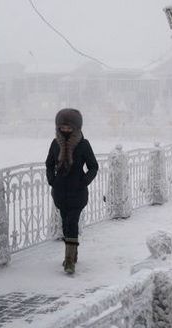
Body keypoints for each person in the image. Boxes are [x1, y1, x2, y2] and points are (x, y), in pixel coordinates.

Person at [45, 108, 99, 274]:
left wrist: (84, 181)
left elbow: (93, 167)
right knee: (65, 224)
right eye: (63, 127)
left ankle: (69, 261)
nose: (66, 130)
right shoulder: (55, 144)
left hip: (77, 192)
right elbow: (49, 164)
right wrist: (52, 180)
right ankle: (73, 253)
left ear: (77, 127)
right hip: (60, 192)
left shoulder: (83, 145)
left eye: (69, 127)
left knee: (72, 222)